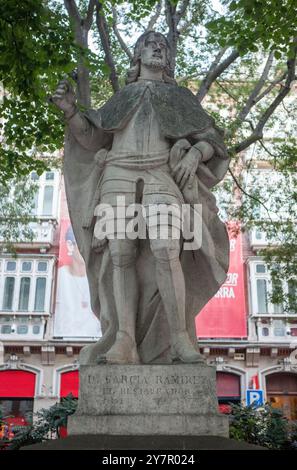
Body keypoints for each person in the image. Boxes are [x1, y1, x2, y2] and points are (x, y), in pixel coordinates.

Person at [51, 31, 230, 365]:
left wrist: (194, 155)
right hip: (118, 174)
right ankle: (124, 339)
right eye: (151, 43)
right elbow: (92, 138)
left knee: (166, 248)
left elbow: (213, 142)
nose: (158, 47)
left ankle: (178, 338)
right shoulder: (124, 96)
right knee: (120, 254)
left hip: (162, 176)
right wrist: (70, 111)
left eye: (163, 44)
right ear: (138, 54)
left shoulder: (180, 97)